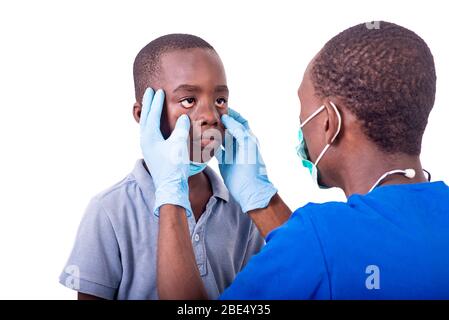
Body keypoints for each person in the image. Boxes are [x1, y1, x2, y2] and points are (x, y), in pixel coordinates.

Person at [145, 22, 449, 299]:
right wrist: (260, 200)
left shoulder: (318, 239)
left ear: (330, 122)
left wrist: (171, 193)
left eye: (304, 113)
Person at [59, 34, 264, 300]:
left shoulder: (242, 210)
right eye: (189, 100)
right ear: (143, 114)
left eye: (220, 100)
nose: (211, 116)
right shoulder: (109, 211)